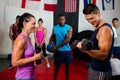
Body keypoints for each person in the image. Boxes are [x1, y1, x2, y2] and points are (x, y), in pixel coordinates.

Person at [76, 4, 114, 80]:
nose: (90, 21)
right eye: (87, 19)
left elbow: (103, 55)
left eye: (92, 18)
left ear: (98, 13)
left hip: (101, 71)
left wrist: (83, 49)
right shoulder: (97, 27)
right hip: (94, 67)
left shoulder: (104, 29)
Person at [12, 13, 42, 80]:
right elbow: (14, 62)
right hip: (23, 77)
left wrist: (35, 56)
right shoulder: (20, 40)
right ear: (25, 23)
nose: (35, 26)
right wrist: (34, 58)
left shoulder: (28, 38)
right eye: (33, 23)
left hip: (30, 75)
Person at [49, 14, 72, 80]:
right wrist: (50, 44)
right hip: (58, 52)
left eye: (63, 20)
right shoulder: (55, 28)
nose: (62, 21)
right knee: (57, 68)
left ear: (65, 20)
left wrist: (57, 46)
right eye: (60, 20)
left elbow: (67, 40)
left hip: (67, 51)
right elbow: (52, 36)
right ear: (58, 20)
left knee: (67, 68)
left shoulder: (69, 28)